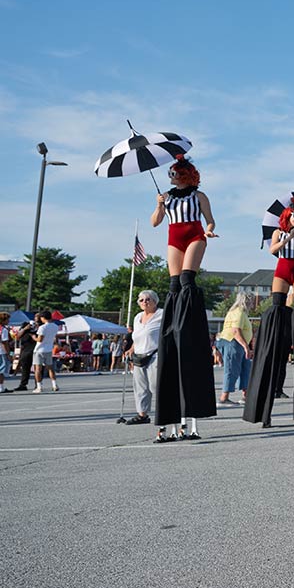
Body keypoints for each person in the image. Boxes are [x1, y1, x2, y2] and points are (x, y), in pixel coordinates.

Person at [148, 155, 217, 439]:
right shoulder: (166, 197)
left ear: (188, 174)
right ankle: (175, 315)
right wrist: (158, 205)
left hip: (195, 234)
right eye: (170, 173)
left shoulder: (199, 195)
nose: (172, 176)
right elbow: (155, 223)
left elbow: (210, 221)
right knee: (174, 284)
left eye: (176, 172)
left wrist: (210, 232)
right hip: (174, 236)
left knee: (188, 278)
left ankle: (188, 315)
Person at [246, 197, 294, 429]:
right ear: (287, 217)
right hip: (282, 270)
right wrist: (288, 235)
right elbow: (273, 250)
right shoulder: (280, 232)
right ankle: (265, 411)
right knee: (277, 308)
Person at [124, 291, 163, 428]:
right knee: (140, 387)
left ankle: (163, 412)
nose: (144, 302)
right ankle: (142, 414)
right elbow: (138, 336)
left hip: (155, 354)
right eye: (141, 300)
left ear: (155, 301)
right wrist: (131, 349)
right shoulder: (137, 317)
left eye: (148, 299)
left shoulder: (162, 314)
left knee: (155, 386)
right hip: (139, 356)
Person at [217, 292, 254, 408]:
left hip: (234, 343)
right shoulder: (239, 312)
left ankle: (246, 395)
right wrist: (246, 347)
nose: (252, 304)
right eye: (251, 301)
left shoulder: (236, 312)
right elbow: (235, 331)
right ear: (246, 301)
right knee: (232, 369)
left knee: (245, 368)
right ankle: (224, 397)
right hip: (233, 342)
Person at [33, 312, 59, 393]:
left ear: (43, 318)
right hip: (48, 349)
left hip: (39, 350)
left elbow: (40, 340)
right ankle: (54, 385)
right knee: (50, 368)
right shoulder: (55, 326)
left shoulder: (42, 327)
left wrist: (33, 337)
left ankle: (39, 387)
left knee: (38, 369)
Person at [10, 320, 37, 391]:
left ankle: (38, 384)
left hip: (34, 351)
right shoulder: (24, 332)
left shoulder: (37, 331)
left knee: (37, 369)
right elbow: (17, 337)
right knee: (25, 369)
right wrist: (24, 329)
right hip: (26, 352)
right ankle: (23, 384)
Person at [0, 313, 11, 392]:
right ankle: (1, 387)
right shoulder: (3, 329)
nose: (8, 321)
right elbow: (4, 342)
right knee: (1, 370)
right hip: (1, 351)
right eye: (7, 319)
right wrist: (8, 353)